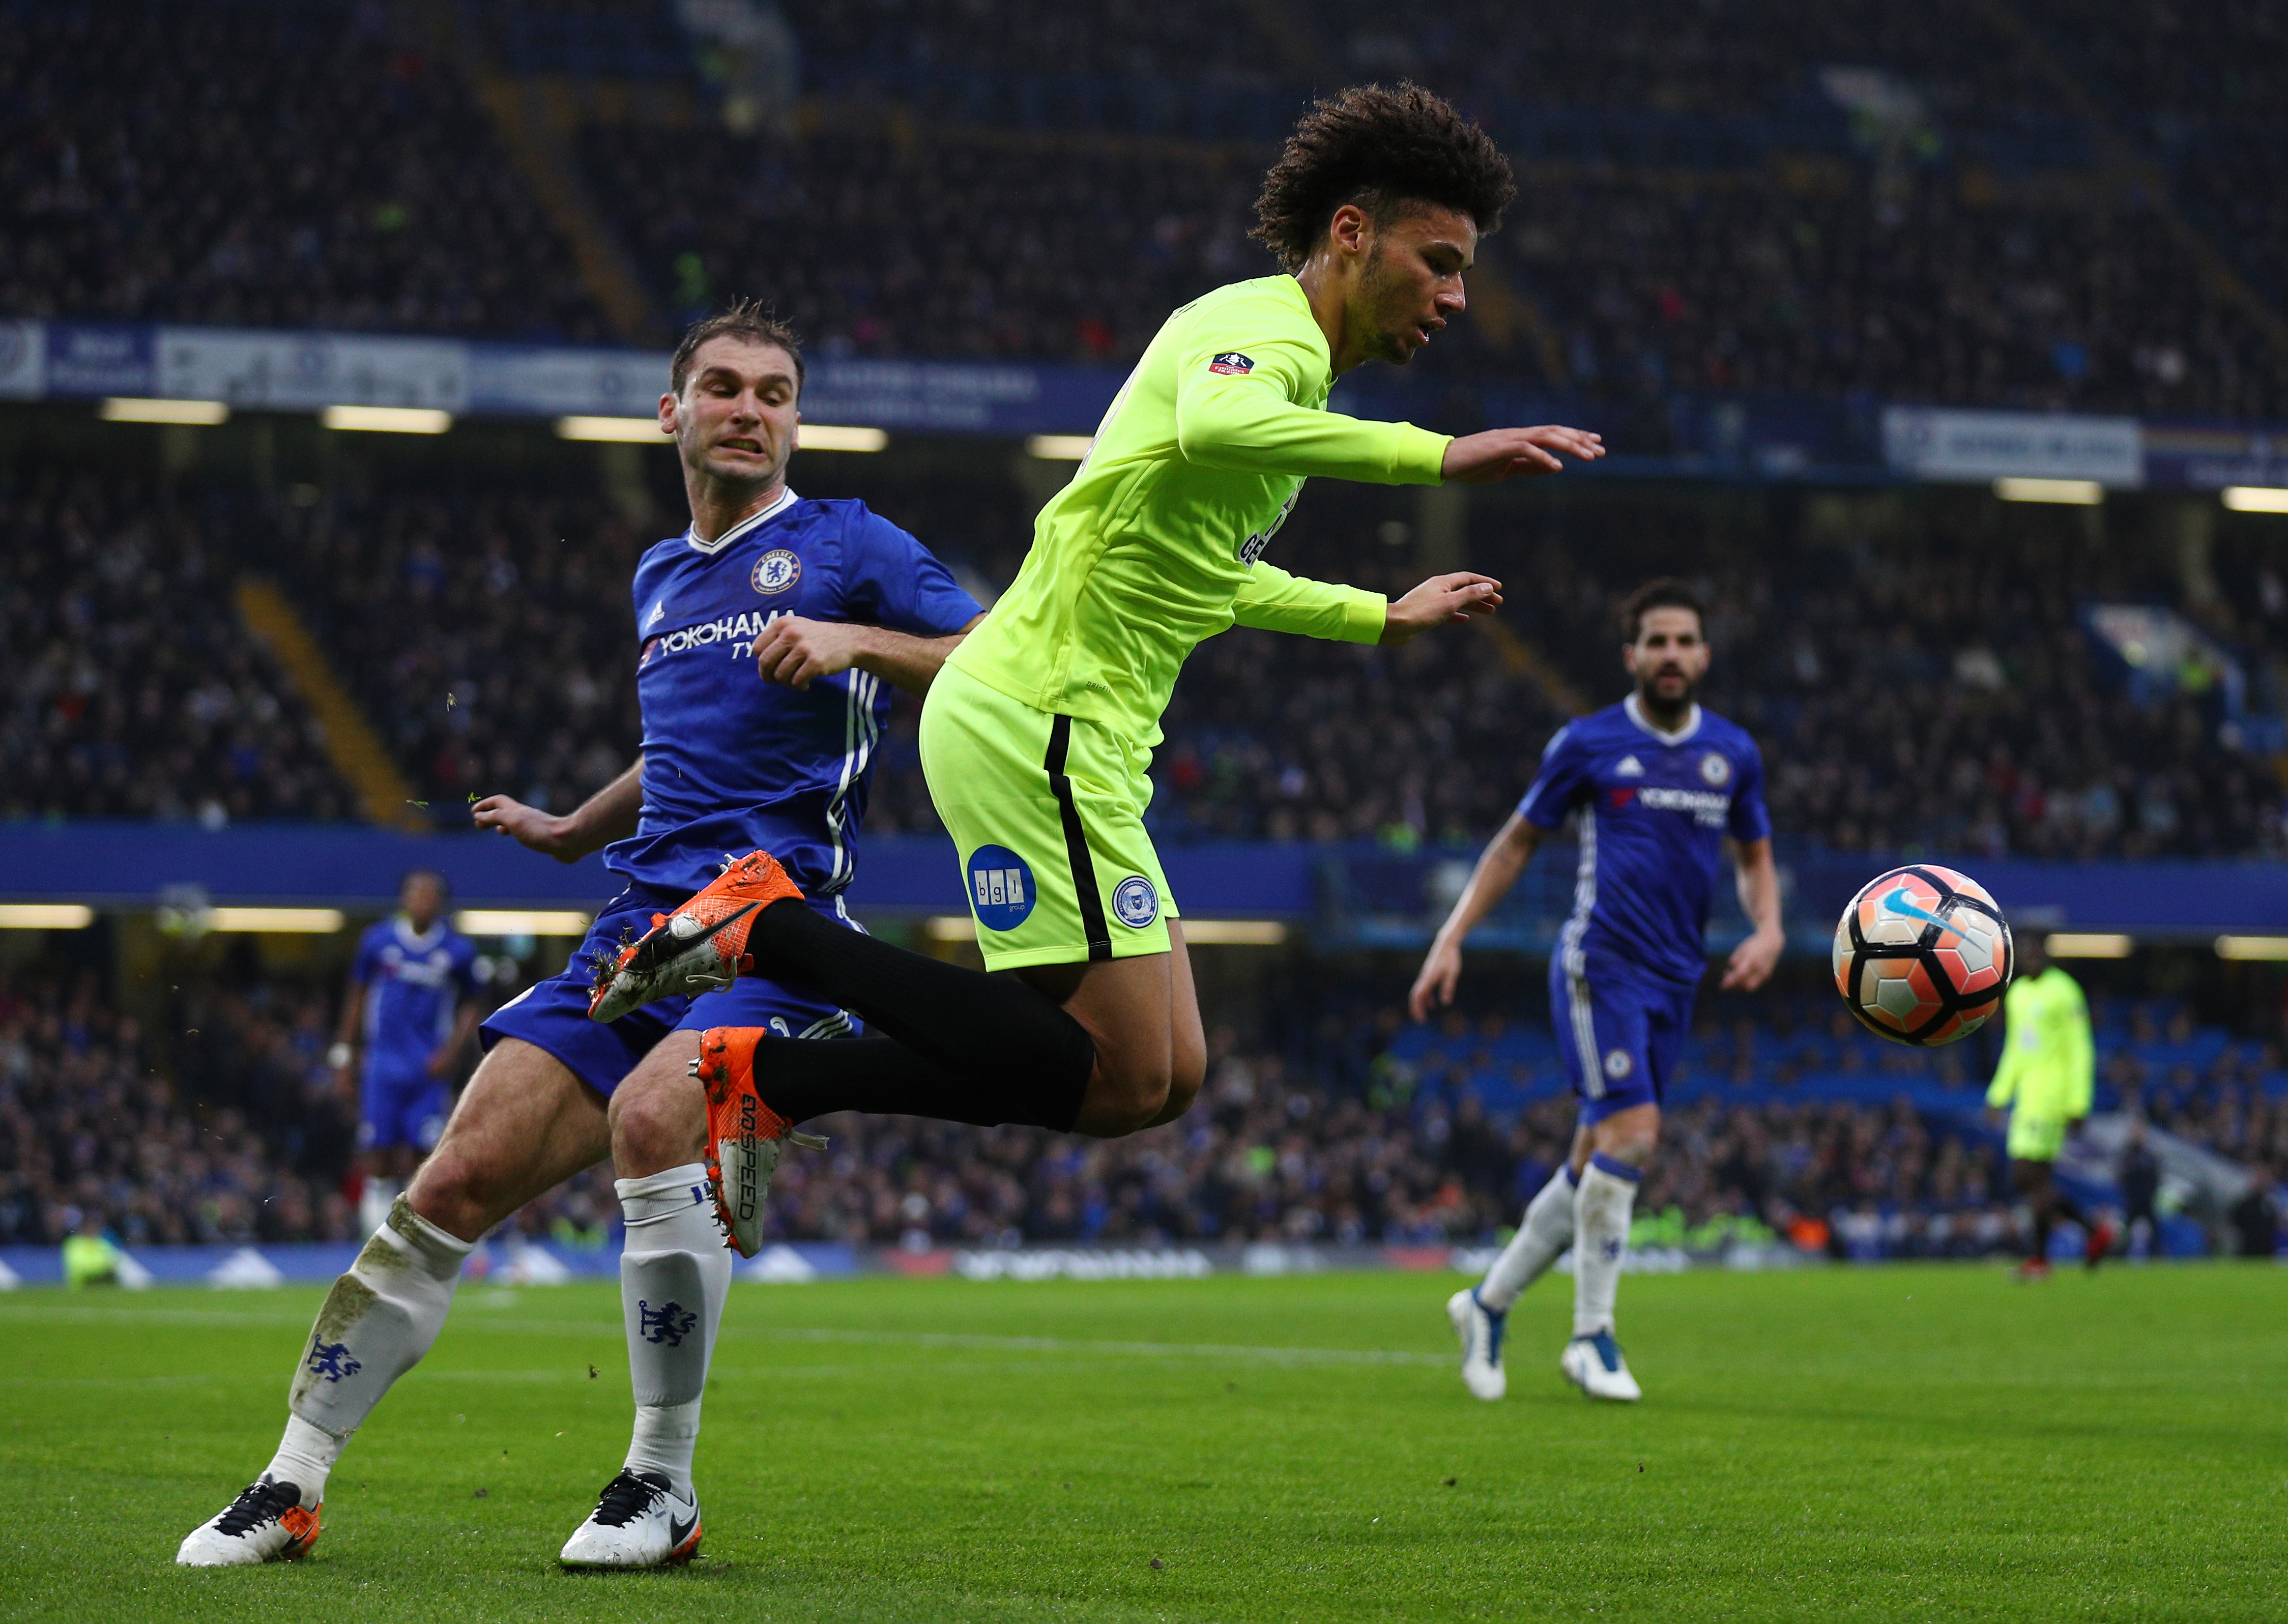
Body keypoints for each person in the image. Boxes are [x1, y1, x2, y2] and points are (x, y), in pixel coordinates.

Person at [585, 84, 1603, 1277]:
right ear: (1350, 236)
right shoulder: (1262, 333)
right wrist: (1435, 458)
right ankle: (771, 941)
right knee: (1101, 1067)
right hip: (1036, 720)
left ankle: (774, 1073)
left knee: (1162, 1080)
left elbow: (1204, 573)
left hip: (1089, 741)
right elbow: (1225, 424)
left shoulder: (1304, 374)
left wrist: (1377, 615)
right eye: (1437, 262)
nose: (1456, 296)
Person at [177, 306, 984, 1571]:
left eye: (774, 393)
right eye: (721, 387)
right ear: (672, 414)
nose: (748, 410)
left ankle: (659, 1484)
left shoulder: (847, 544)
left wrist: (857, 644)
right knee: (448, 1183)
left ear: (794, 420)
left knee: (654, 1124)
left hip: (772, 935)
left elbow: (996, 647)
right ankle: (291, 1483)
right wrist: (571, 829)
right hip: (634, 932)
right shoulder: (659, 576)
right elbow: (678, 750)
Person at [1411, 578, 1784, 1403]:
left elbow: (1754, 857)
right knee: (1634, 1134)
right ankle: (1591, 1337)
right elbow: (1514, 845)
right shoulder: (1586, 743)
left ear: (1704, 654)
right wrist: (1451, 937)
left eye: (1685, 640)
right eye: (1656, 641)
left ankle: (1485, 1302)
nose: (1672, 654)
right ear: (1631, 656)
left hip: (1676, 977)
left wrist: (1767, 928)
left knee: (1594, 1159)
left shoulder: (1733, 753)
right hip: (1600, 962)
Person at [332, 870, 480, 1237]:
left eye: (430, 895)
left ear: (441, 904)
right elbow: (357, 995)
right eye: (415, 893)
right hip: (383, 1064)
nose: (422, 901)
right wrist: (344, 1055)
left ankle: (414, 1238)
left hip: (427, 1070)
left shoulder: (456, 950)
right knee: (378, 1155)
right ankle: (374, 1239)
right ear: (403, 898)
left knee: (421, 1157)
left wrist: (451, 1053)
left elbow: (473, 1002)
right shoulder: (378, 941)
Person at [1985, 931, 2112, 1280]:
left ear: (2046, 954)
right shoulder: (2018, 994)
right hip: (2027, 1098)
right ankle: (2091, 1234)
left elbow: (2079, 1048)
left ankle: (2041, 1259)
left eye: (2035, 951)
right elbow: (2015, 1048)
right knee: (2033, 1181)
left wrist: (2077, 1103)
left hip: (2052, 1097)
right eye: (2024, 953)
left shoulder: (2064, 991)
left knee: (2029, 1176)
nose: (2030, 958)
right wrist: (1999, 1094)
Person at [2118, 1116, 2163, 1259]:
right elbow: (2121, 1177)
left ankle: (2156, 1258)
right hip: (2132, 1201)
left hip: (2147, 1201)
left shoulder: (2149, 1154)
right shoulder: (2127, 1154)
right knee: (2125, 1232)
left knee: (2154, 1231)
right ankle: (2120, 1258)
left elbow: (2156, 1177)